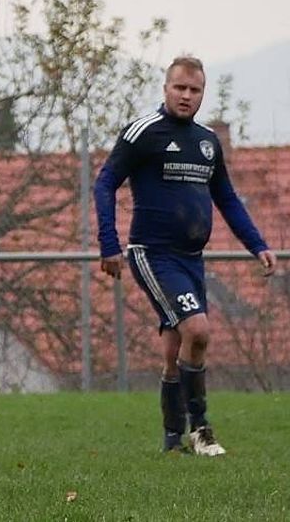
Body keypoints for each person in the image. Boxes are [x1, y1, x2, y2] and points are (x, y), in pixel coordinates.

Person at [94, 56, 276, 456]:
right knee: (198, 330)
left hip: (192, 258)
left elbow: (226, 197)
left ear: (202, 94)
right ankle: (202, 429)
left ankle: (172, 439)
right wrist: (108, 243)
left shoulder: (207, 141)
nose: (186, 95)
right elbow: (105, 183)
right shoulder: (144, 132)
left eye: (194, 90)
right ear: (166, 89)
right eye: (179, 87)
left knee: (175, 351)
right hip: (153, 254)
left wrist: (257, 244)